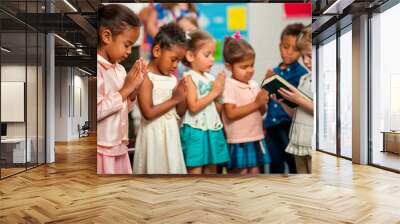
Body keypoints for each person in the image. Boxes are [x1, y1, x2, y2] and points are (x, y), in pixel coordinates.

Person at [133, 23, 188, 174]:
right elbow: (148, 113)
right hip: (153, 137)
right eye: (173, 59)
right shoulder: (146, 78)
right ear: (157, 51)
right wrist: (175, 99)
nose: (176, 65)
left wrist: (182, 96)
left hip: (170, 135)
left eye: (179, 61)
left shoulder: (171, 79)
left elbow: (180, 112)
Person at [97, 4, 145, 174]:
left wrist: (134, 90)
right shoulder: (97, 69)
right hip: (103, 149)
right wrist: (125, 89)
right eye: (127, 45)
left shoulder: (120, 69)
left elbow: (124, 107)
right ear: (106, 36)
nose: (129, 52)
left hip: (119, 146)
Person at [180, 30, 230, 174]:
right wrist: (214, 92)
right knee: (195, 170)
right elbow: (193, 106)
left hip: (212, 128)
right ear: (190, 56)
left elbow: (217, 109)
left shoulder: (210, 78)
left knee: (212, 169)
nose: (212, 59)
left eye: (213, 55)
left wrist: (220, 92)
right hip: (195, 130)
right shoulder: (188, 77)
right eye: (207, 55)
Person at [221, 33, 271, 174]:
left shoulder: (254, 84)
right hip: (238, 140)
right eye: (244, 67)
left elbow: (262, 112)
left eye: (252, 65)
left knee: (255, 172)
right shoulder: (229, 85)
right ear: (229, 66)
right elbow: (230, 113)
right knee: (240, 174)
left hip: (256, 137)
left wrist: (264, 94)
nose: (250, 70)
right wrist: (256, 103)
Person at [263, 23, 308, 174]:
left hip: (288, 126)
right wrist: (267, 82)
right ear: (279, 46)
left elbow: (297, 101)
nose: (288, 52)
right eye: (285, 46)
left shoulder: (301, 74)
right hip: (270, 125)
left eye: (295, 49)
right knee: (275, 164)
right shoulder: (274, 71)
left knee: (293, 162)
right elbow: (266, 98)